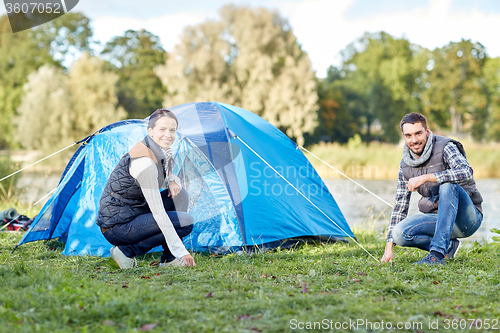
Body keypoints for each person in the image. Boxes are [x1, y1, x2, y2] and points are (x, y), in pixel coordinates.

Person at [96, 109, 196, 269]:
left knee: (180, 195)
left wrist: (172, 179)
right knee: (186, 221)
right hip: (116, 226)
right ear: (150, 131)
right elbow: (158, 213)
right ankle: (126, 251)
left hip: (134, 211)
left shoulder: (160, 150)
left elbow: (166, 171)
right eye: (162, 129)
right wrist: (181, 251)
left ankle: (168, 260)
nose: (168, 135)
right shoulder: (145, 163)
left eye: (172, 130)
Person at [381, 113, 483, 265]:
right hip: (439, 219)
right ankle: (448, 247)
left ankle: (436, 255)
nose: (414, 140)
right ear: (403, 136)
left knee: (448, 185)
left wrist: (425, 177)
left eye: (418, 133)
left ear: (427, 132)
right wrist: (389, 247)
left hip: (466, 219)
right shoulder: (405, 166)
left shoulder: (446, 147)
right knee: (399, 234)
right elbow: (400, 206)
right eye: (408, 135)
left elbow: (466, 171)